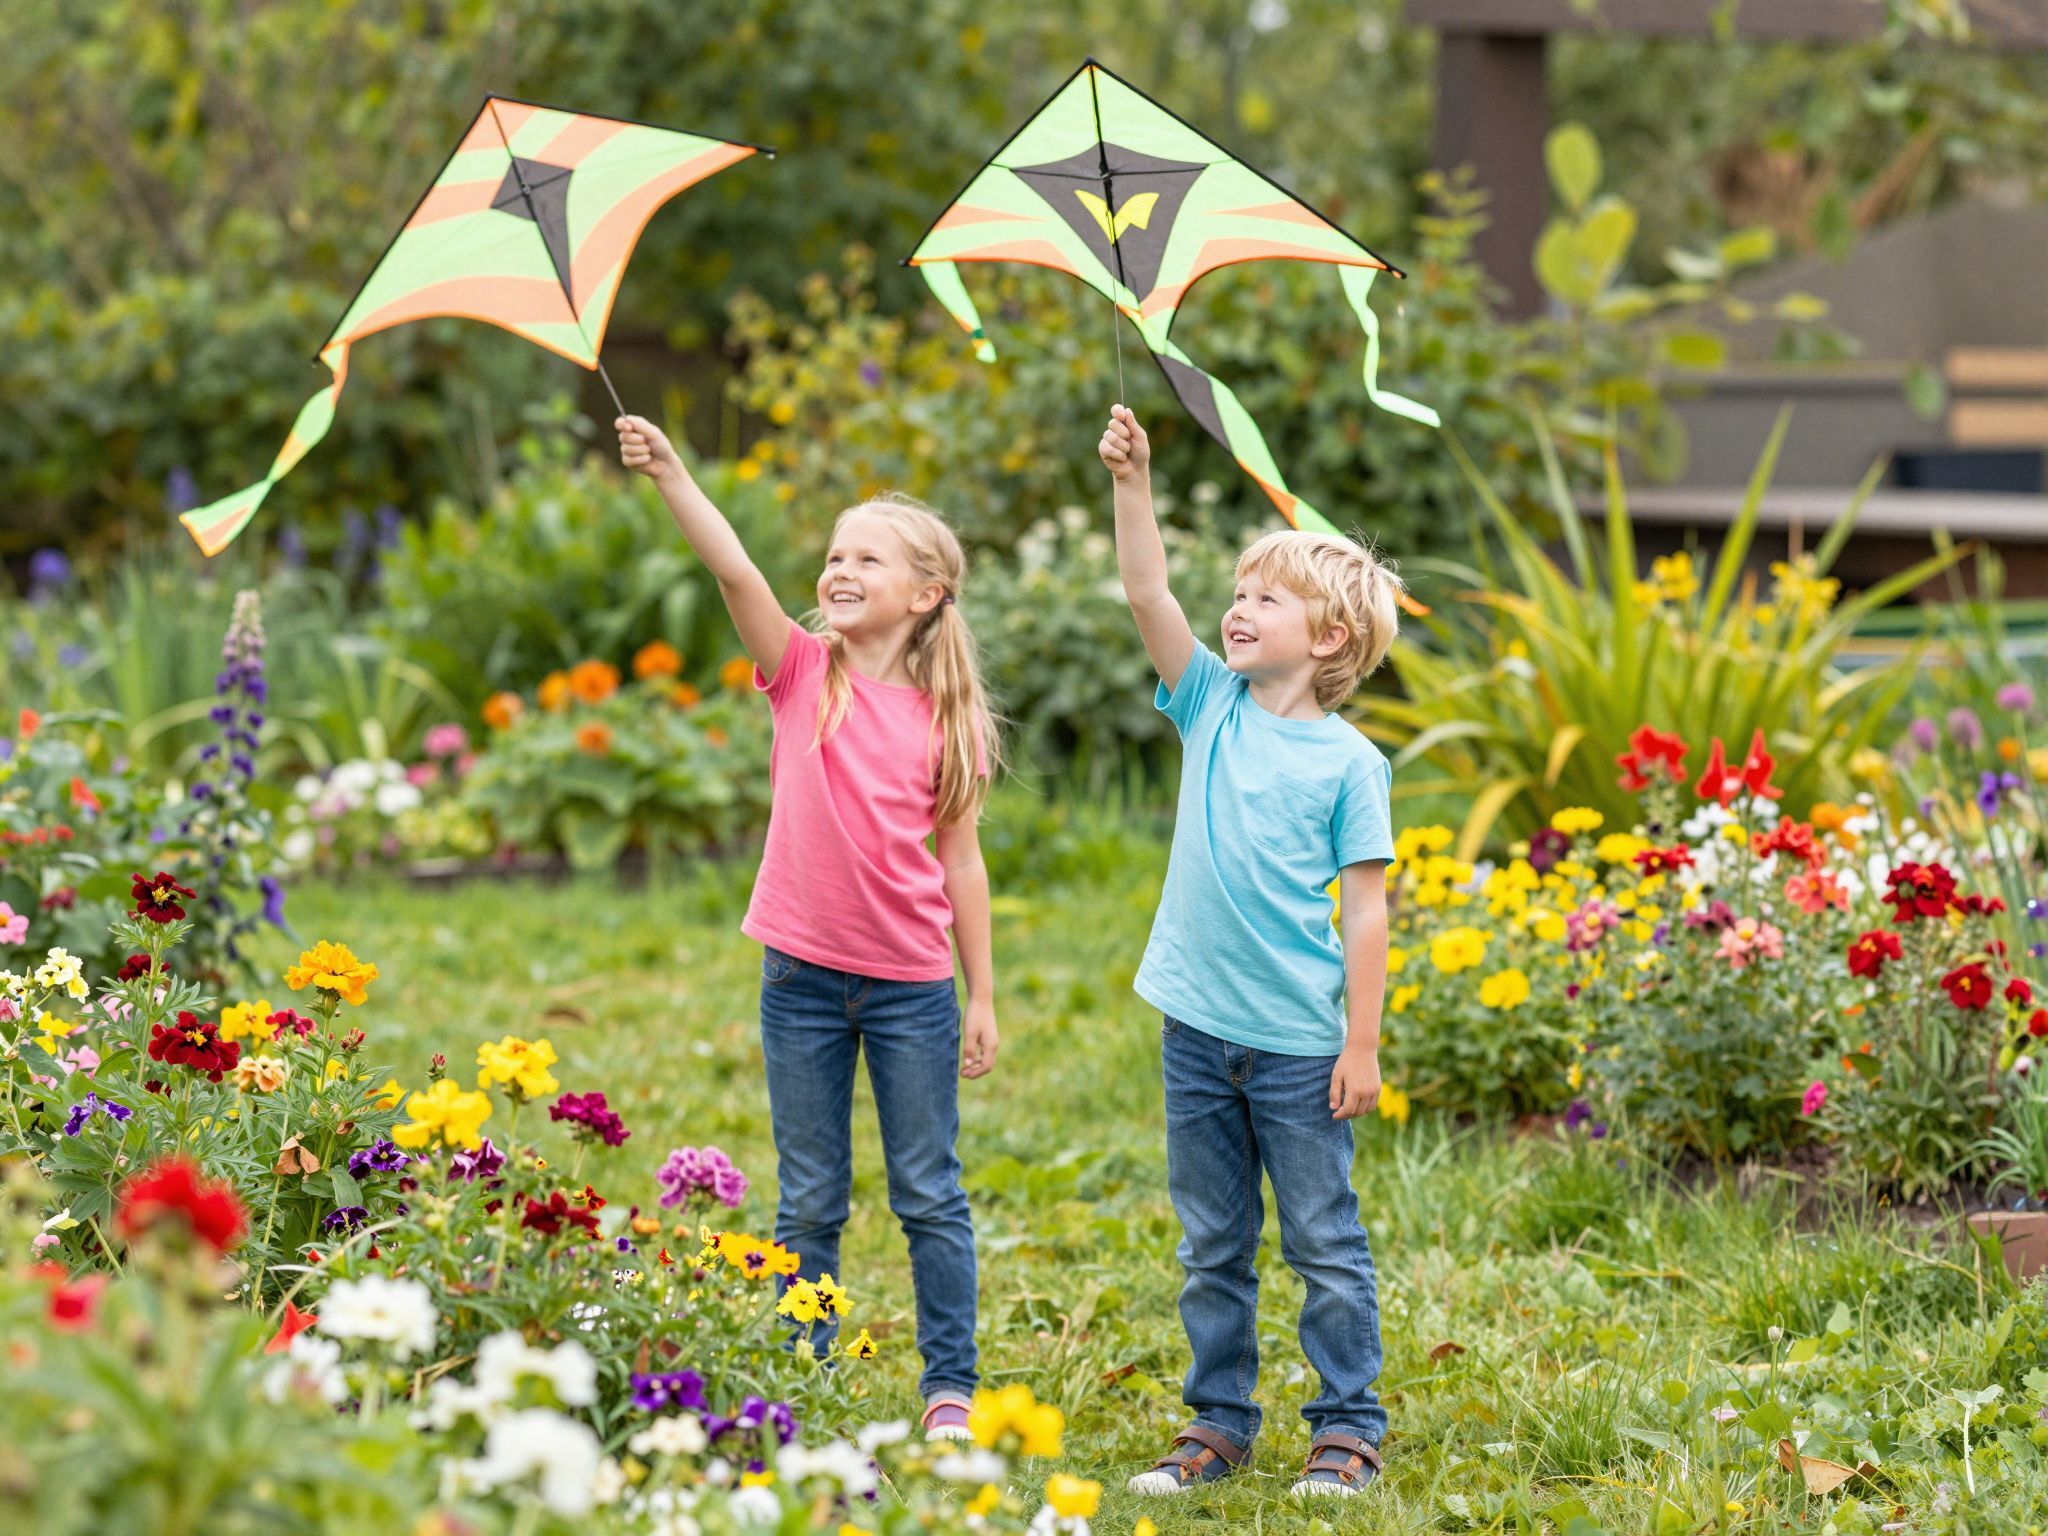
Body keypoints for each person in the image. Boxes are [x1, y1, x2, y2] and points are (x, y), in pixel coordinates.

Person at [620, 415, 1000, 1440]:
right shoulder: (802, 676)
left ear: (923, 594)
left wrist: (983, 996)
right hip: (799, 983)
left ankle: (947, 1389)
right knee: (809, 1203)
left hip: (913, 988)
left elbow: (960, 861)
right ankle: (808, 1375)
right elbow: (737, 570)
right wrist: (673, 473)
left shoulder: (946, 718)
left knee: (928, 1193)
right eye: (833, 553)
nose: (838, 568)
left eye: (864, 557)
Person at [1098, 404, 1397, 1498]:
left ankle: (1346, 1427)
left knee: (1320, 1241)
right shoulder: (1207, 706)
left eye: (1264, 598)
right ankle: (1217, 1422)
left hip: (1294, 1048)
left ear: (1326, 640)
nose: (1235, 610)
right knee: (1210, 1245)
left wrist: (1357, 1046)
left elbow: (1364, 912)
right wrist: (1133, 481)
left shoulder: (1348, 766)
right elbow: (1146, 592)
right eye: (1237, 593)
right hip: (1195, 1032)